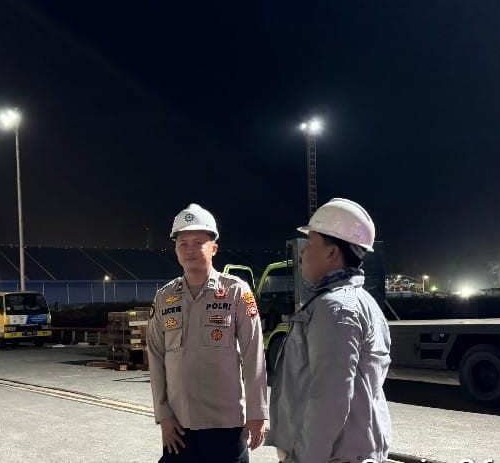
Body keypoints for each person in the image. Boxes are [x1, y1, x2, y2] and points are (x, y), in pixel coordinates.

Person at [268, 198, 392, 463]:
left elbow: (329, 397)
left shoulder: (336, 309)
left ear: (332, 253)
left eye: (310, 244)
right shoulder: (359, 301)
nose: (302, 252)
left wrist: (305, 459)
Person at [147, 203, 268, 462]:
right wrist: (163, 415)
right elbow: (156, 358)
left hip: (226, 427)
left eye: (198, 242)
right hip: (179, 428)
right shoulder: (164, 297)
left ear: (214, 248)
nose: (190, 249)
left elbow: (253, 355)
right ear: (176, 250)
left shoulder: (236, 291)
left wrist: (257, 413)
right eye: (183, 243)